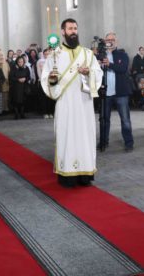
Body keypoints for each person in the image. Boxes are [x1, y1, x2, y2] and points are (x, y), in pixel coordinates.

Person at [40, 19, 103, 188]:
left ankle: (85, 174)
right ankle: (67, 175)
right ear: (63, 32)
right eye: (70, 28)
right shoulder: (55, 55)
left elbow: (98, 74)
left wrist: (88, 73)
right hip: (66, 103)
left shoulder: (87, 54)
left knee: (85, 136)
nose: (73, 31)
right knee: (66, 135)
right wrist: (52, 80)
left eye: (75, 28)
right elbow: (45, 79)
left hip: (84, 103)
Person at [99, 33, 135, 152]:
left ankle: (129, 143)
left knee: (125, 119)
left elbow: (123, 68)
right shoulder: (100, 55)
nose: (110, 41)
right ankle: (103, 141)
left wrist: (109, 64)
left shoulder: (122, 55)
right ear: (105, 41)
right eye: (108, 39)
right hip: (105, 93)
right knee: (104, 119)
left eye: (112, 39)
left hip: (121, 92)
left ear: (116, 41)